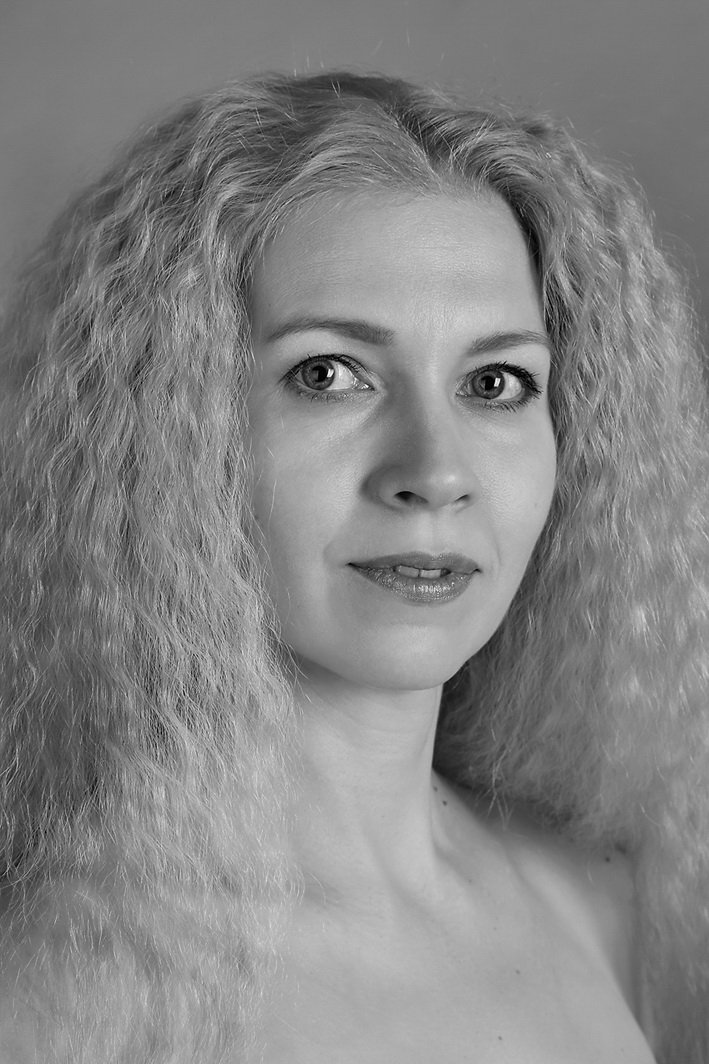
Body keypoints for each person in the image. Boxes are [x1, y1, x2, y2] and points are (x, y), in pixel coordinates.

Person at [0, 70, 706, 1064]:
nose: (434, 472)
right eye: (328, 374)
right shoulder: (67, 999)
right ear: (163, 433)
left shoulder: (600, 903)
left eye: (495, 382)